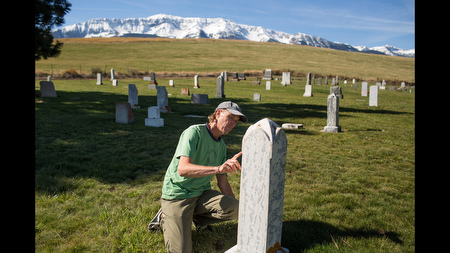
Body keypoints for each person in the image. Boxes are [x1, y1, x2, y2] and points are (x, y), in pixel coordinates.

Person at [149, 101, 248, 253]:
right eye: (230, 118)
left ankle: (196, 218)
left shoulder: (221, 146)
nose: (232, 124)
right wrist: (217, 168)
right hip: (178, 196)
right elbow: (183, 169)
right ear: (218, 113)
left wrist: (238, 210)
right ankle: (164, 217)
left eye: (235, 122)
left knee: (236, 208)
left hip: (201, 194)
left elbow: (222, 179)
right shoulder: (194, 132)